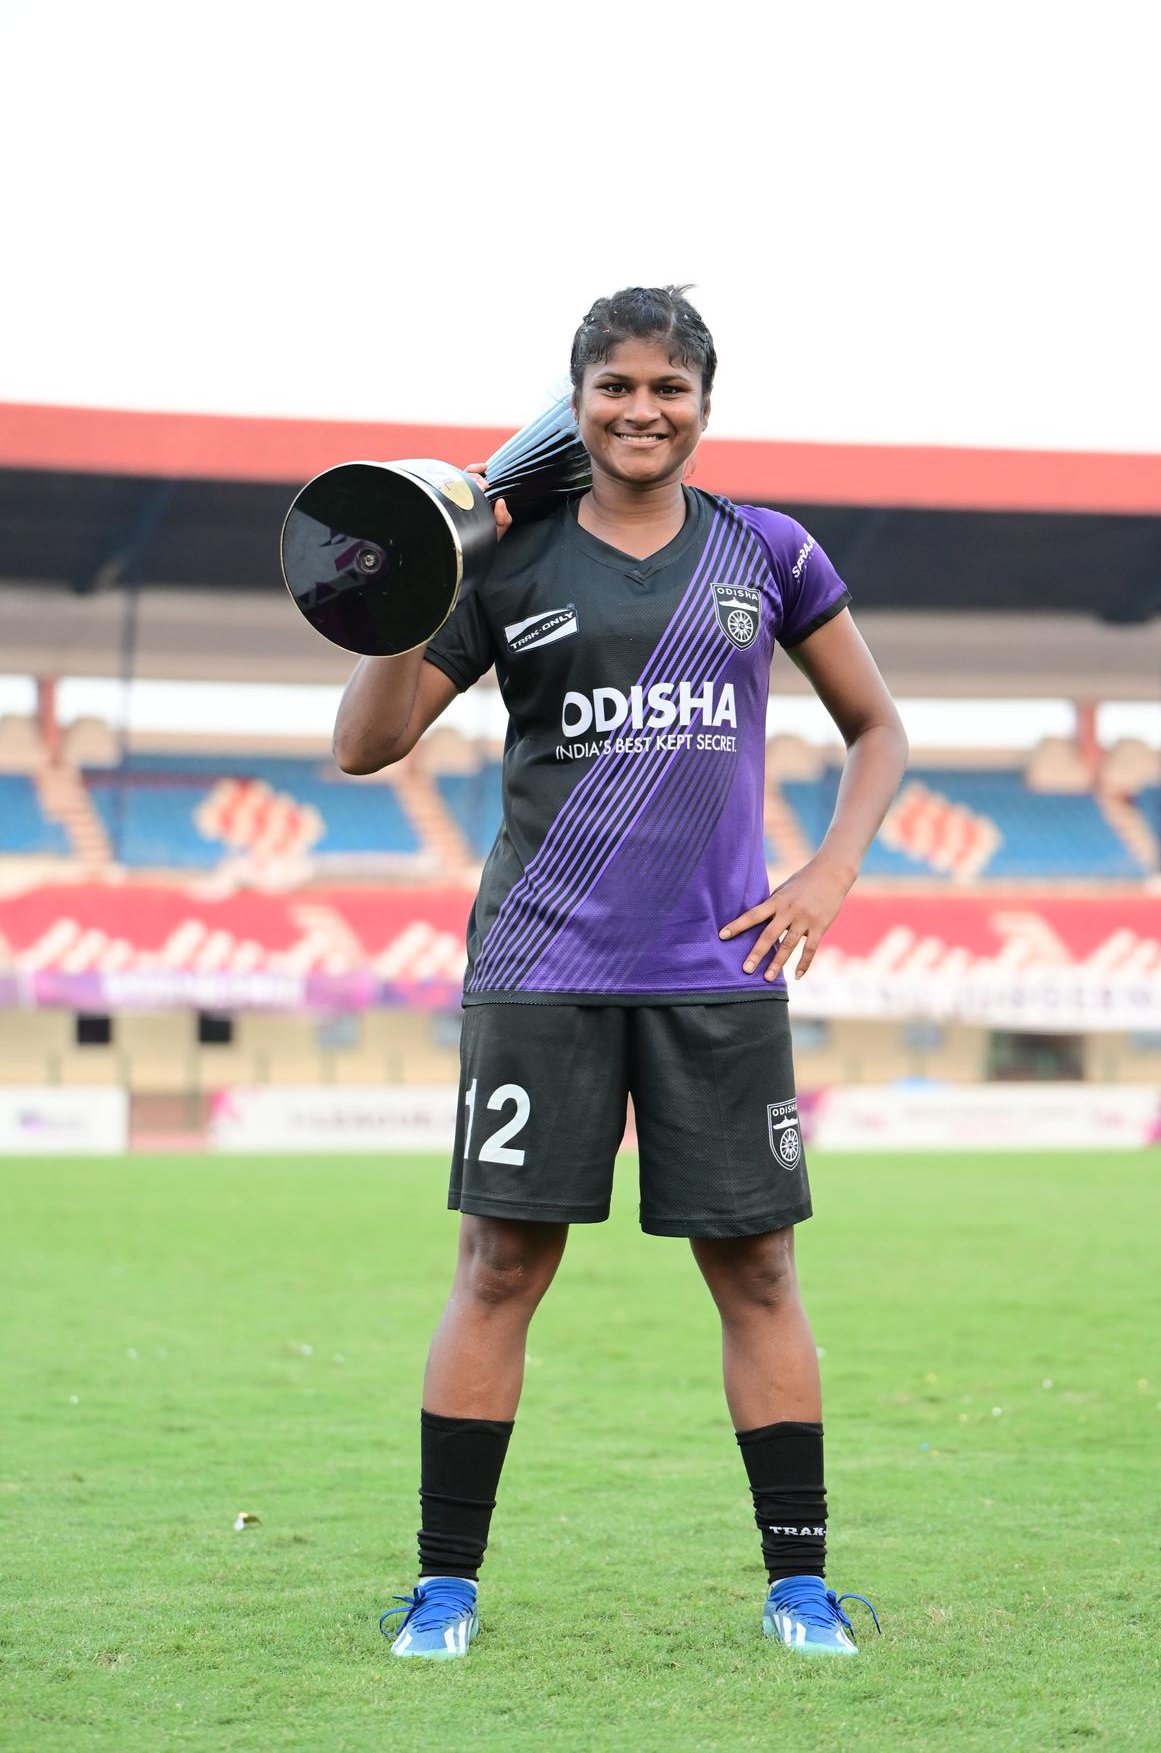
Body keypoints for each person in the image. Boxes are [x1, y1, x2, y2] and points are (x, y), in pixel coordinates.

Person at [334, 286, 907, 1661]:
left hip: (715, 975)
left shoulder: (767, 551)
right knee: (499, 1267)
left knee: (758, 1273)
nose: (642, 410)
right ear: (576, 399)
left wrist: (827, 874)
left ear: (705, 404)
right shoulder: (512, 561)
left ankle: (801, 1589)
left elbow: (877, 728)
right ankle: (444, 1589)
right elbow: (367, 744)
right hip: (541, 971)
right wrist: (424, 577)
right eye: (615, 387)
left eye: (669, 387)